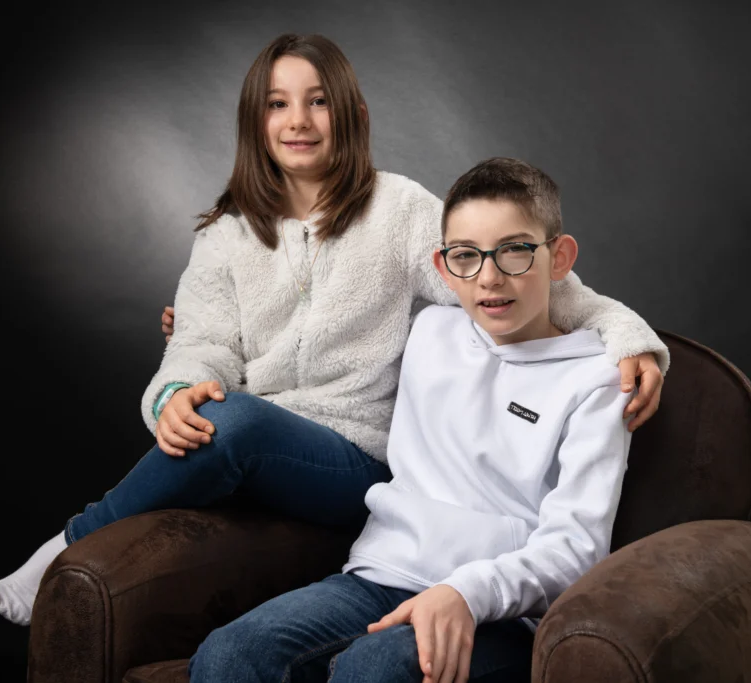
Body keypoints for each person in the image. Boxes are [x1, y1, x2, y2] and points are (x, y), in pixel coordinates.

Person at [0, 33, 668, 627]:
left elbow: (517, 275)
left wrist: (627, 334)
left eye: (318, 100)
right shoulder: (224, 236)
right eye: (277, 103)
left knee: (240, 423)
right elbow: (200, 340)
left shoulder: (400, 211)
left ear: (352, 115)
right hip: (255, 441)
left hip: (356, 459)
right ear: (256, 121)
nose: (298, 120)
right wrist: (178, 392)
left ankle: (67, 542)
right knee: (229, 417)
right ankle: (80, 543)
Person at [188, 156, 636, 683]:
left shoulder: (600, 381)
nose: (489, 278)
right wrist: (201, 332)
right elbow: (315, 342)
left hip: (500, 611)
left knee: (373, 670)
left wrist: (466, 594)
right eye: (467, 256)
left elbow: (578, 547)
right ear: (443, 268)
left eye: (515, 251)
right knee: (231, 653)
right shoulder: (427, 330)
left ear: (558, 258)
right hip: (378, 576)